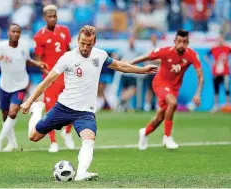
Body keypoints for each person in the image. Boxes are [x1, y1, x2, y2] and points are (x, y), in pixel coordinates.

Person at [20, 25, 157, 181]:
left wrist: (143, 70)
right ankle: (37, 111)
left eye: (89, 44)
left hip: (85, 112)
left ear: (94, 42)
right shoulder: (68, 58)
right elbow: (47, 81)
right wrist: (29, 101)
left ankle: (81, 172)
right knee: (33, 137)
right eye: (82, 43)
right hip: (63, 107)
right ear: (78, 40)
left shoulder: (100, 55)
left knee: (89, 137)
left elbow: (120, 65)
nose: (85, 47)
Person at [130, 29, 204, 150]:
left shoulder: (191, 55)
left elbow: (200, 76)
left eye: (184, 42)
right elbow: (146, 56)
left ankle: (144, 132)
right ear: (174, 41)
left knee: (160, 117)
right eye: (179, 41)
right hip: (160, 83)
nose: (181, 44)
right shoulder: (165, 51)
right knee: (173, 102)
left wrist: (198, 93)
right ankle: (167, 137)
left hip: (174, 88)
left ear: (188, 43)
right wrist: (129, 63)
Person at [0, 23, 47, 152]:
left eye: (18, 32)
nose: (16, 34)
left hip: (20, 85)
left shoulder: (24, 46)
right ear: (8, 33)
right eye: (13, 31)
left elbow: (26, 60)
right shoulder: (1, 46)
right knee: (5, 115)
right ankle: (12, 143)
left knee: (12, 112)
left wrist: (37, 64)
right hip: (5, 85)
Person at [33, 4, 74, 152]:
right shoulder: (39, 36)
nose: (52, 19)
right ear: (44, 18)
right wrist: (43, 68)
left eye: (54, 16)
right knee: (50, 109)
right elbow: (38, 59)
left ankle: (67, 132)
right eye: (49, 16)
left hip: (66, 75)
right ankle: (53, 141)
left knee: (74, 103)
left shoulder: (64, 31)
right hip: (50, 77)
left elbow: (69, 51)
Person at [205, 35, 231, 113]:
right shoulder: (214, 49)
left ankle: (227, 105)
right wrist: (211, 63)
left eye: (221, 40)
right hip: (216, 72)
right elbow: (206, 56)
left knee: (226, 88)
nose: (220, 41)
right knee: (216, 89)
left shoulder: (227, 48)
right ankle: (216, 105)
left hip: (225, 72)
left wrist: (229, 63)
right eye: (219, 40)